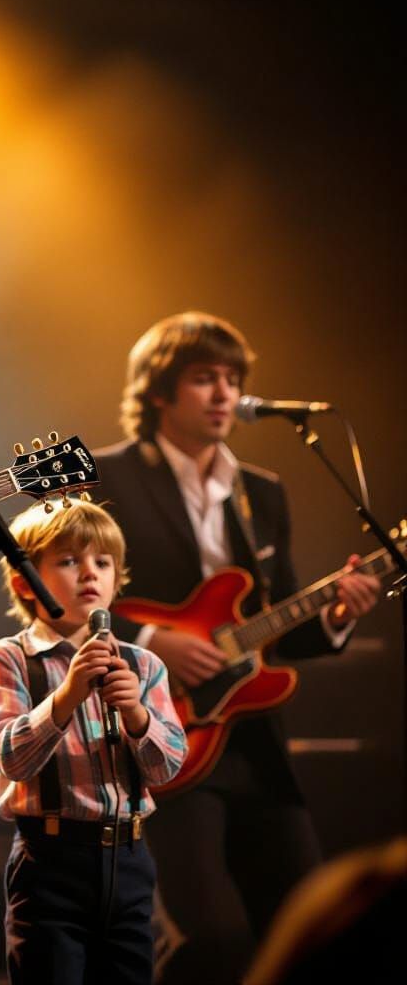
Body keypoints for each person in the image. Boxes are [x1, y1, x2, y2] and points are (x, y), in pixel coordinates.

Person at [90, 312, 381, 984]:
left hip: (254, 742)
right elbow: (51, 589)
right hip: (164, 737)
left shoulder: (261, 491)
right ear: (159, 391)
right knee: (211, 943)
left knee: (310, 927)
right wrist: (150, 639)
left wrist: (336, 614)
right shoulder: (109, 476)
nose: (224, 394)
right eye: (203, 379)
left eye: (232, 379)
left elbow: (281, 618)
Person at [0, 498, 187, 984]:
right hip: (51, 862)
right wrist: (68, 695)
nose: (89, 573)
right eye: (69, 561)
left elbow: (167, 766)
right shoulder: (8, 659)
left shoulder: (143, 664)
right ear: (22, 581)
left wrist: (136, 713)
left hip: (130, 861)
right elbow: (11, 758)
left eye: (103, 562)